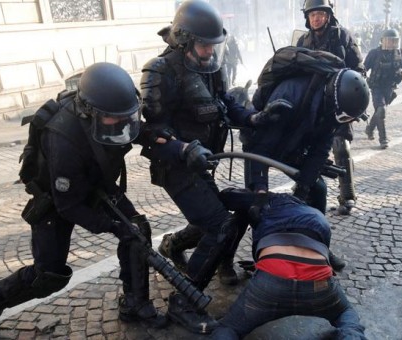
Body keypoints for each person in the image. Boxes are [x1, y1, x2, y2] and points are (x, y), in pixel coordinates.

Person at [0, 62, 167, 339]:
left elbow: (128, 127)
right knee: (49, 275)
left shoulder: (111, 114)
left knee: (136, 231)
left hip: (95, 184)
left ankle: (135, 303)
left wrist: (151, 134)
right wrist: (110, 225)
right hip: (56, 201)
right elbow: (69, 206)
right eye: (113, 118)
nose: (120, 122)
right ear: (90, 112)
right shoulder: (63, 138)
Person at [138, 0, 286, 333]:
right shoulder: (160, 71)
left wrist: (253, 117)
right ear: (184, 39)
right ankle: (184, 302)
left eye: (212, 45)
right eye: (204, 44)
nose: (209, 51)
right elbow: (148, 131)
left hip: (205, 162)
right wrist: (183, 148)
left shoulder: (210, 64)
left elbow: (226, 103)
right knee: (220, 225)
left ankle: (174, 245)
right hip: (176, 167)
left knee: (221, 217)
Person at [243, 68, 369, 271]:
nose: (345, 123)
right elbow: (261, 147)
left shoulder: (332, 109)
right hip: (260, 144)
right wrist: (259, 188)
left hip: (293, 145)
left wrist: (304, 186)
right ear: (336, 102)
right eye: (346, 118)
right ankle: (257, 261)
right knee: (254, 205)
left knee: (317, 189)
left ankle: (318, 248)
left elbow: (320, 151)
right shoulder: (290, 96)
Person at [211, 189, 367, 339]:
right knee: (346, 314)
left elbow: (226, 196)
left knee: (228, 327)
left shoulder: (266, 201)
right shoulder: (315, 214)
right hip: (318, 283)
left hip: (270, 280)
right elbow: (323, 254)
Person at [295, 0, 365, 216]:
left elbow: (358, 71)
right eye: (312, 14)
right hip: (312, 104)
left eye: (320, 14)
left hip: (338, 102)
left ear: (328, 15)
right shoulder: (303, 40)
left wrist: (354, 105)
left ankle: (348, 195)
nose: (316, 18)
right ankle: (304, 190)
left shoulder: (342, 37)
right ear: (307, 17)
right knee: (305, 149)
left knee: (341, 147)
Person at [364, 28, 402, 149]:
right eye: (389, 41)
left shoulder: (400, 53)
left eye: (394, 41)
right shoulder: (374, 53)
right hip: (376, 86)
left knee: (379, 111)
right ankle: (383, 139)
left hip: (390, 88)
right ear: (382, 41)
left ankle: (370, 129)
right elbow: (363, 68)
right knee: (381, 110)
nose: (391, 43)